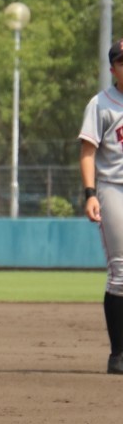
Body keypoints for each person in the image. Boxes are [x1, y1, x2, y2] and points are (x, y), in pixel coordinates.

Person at [78, 38, 123, 375]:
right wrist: (90, 193)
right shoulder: (102, 103)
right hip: (112, 188)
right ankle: (118, 354)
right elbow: (88, 152)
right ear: (113, 68)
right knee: (121, 273)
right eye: (121, 61)